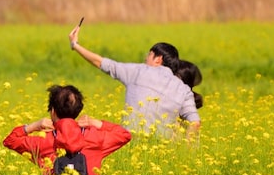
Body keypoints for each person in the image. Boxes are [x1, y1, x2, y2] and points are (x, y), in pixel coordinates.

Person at [3, 85, 131, 175]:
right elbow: (124, 135)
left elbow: (10, 140)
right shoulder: (94, 138)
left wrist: (34, 126)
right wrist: (94, 122)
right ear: (78, 111)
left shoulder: (43, 141)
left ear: (52, 111)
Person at [69, 24, 201, 136]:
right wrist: (187, 150)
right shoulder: (184, 90)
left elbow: (101, 63)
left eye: (149, 55)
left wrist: (75, 45)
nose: (145, 59)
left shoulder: (139, 71)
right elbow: (195, 122)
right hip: (162, 152)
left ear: (158, 59)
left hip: (129, 143)